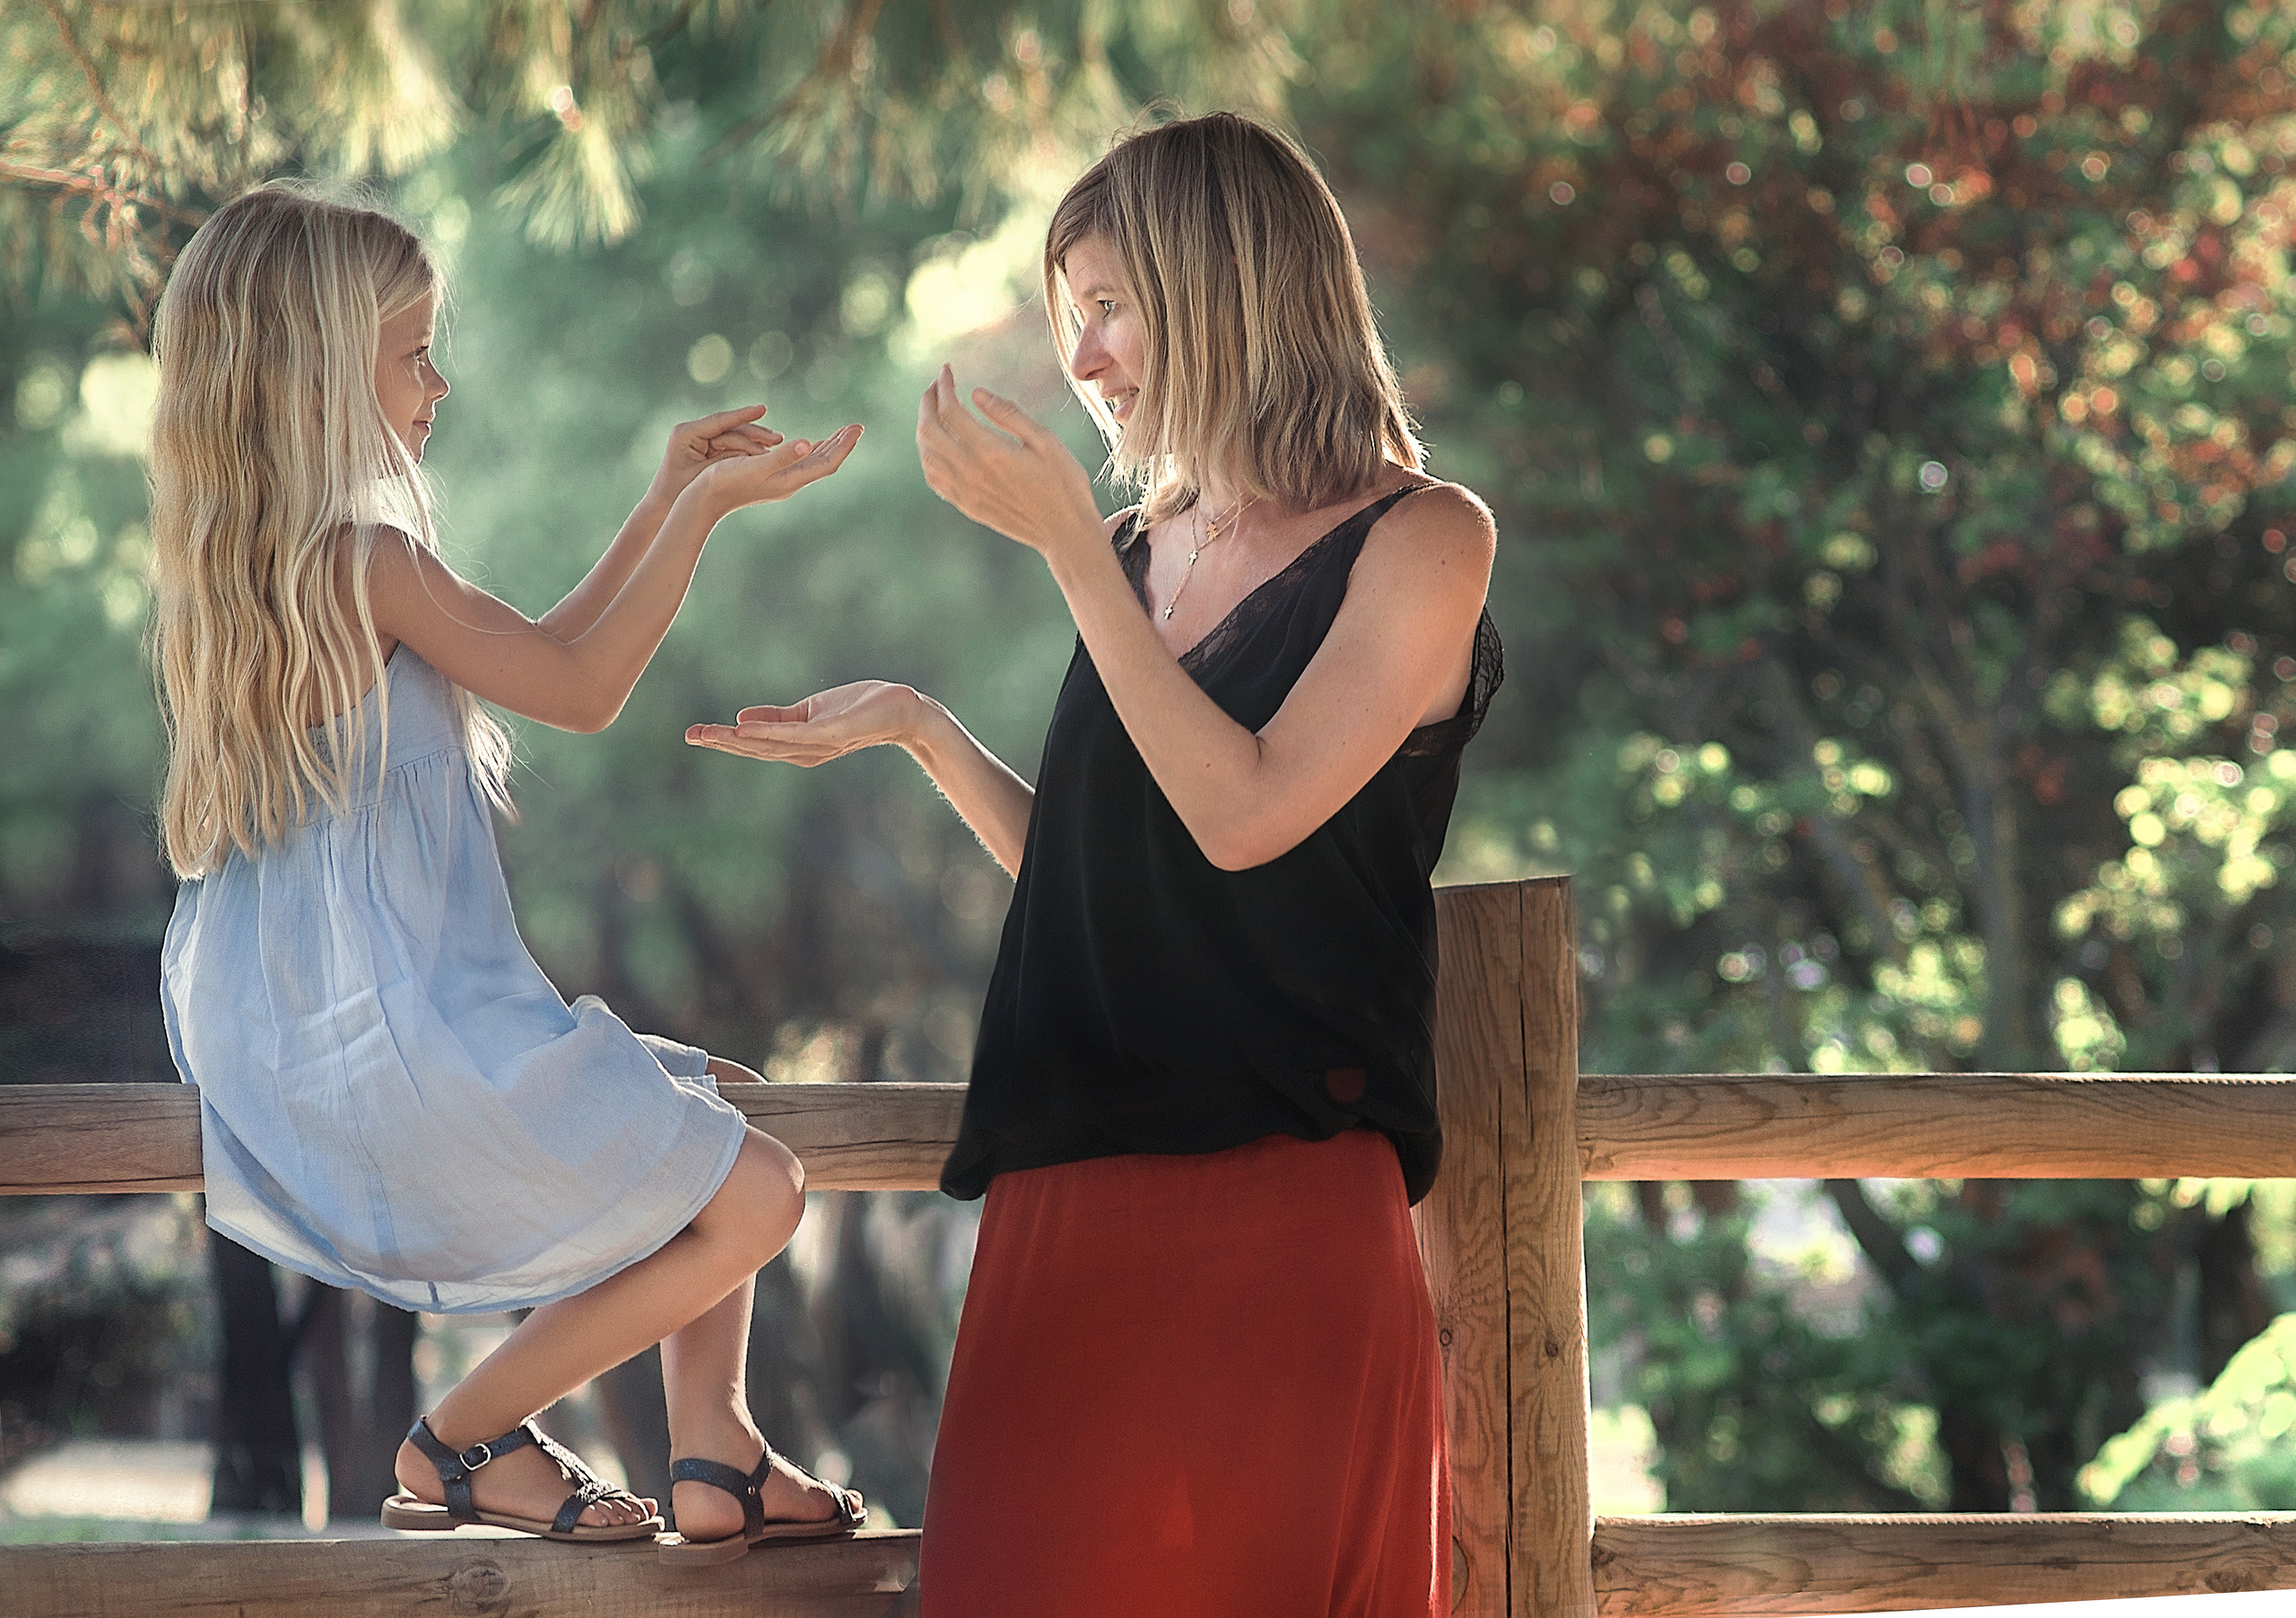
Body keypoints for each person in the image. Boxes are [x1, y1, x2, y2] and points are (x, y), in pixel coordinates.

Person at [688, 112, 1502, 1614]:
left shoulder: (1425, 540)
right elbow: (1106, 879)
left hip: (1283, 1199)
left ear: (1230, 291)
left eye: (1111, 307)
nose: (1083, 359)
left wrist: (1072, 553)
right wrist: (926, 732)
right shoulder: (1138, 549)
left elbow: (1246, 818)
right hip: (1064, 1198)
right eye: (1072, 318)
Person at [151, 184, 866, 1561]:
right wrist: (709, 511)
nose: (441, 381)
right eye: (415, 352)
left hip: (315, 1026)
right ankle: (460, 1439)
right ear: (316, 376)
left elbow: (540, 653)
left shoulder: (285, 572)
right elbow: (588, 688)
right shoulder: (365, 561)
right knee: (758, 1186)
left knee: (707, 1099)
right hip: (392, 1029)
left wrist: (665, 489)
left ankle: (713, 1446)